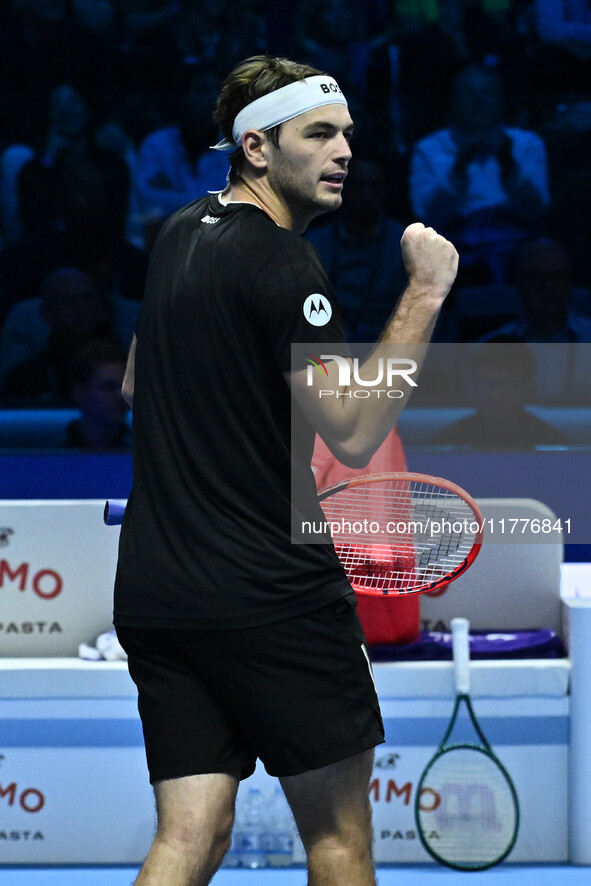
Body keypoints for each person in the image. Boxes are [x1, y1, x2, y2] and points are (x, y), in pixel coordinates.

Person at [114, 54, 458, 886]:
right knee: (338, 842)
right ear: (256, 149)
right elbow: (353, 429)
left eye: (347, 134)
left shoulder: (177, 233)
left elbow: (133, 382)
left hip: (158, 593)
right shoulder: (283, 263)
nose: (344, 151)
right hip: (270, 595)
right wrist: (424, 293)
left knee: (189, 837)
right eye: (319, 134)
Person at [409, 63, 550, 285]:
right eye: (470, 93)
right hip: (454, 255)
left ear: (501, 100)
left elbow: (536, 213)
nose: (479, 100)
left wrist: (509, 164)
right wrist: (459, 168)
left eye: (487, 93)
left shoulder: (528, 143)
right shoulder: (428, 148)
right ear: (454, 101)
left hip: (520, 250)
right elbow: (428, 216)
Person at [57, 339, 132, 450]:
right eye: (108, 387)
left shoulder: (145, 452)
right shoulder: (51, 456)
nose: (120, 395)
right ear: (79, 392)